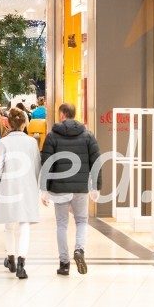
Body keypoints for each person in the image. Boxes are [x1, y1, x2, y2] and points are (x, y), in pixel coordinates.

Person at [39, 103, 101, 276]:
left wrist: (43, 189)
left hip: (59, 188)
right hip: (80, 187)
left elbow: (46, 164)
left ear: (63, 114)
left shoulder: (52, 136)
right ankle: (79, 250)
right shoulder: (88, 135)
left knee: (61, 224)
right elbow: (96, 162)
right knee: (81, 221)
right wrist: (96, 186)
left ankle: (64, 263)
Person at [0, 108, 41, 279]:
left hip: (8, 187)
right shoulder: (32, 142)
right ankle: (21, 263)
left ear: (9, 124)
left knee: (9, 225)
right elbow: (37, 168)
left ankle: (10, 258)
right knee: (24, 224)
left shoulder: (3, 143)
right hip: (28, 186)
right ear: (24, 123)